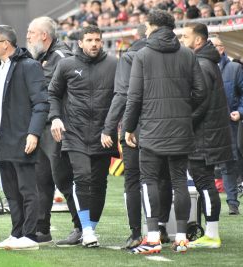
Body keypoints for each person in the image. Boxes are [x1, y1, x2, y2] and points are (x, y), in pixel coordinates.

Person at [123, 9, 206, 254]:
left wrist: (128, 127)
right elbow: (201, 92)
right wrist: (182, 110)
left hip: (151, 130)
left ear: (153, 26)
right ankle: (181, 238)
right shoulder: (188, 54)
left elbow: (134, 97)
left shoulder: (142, 54)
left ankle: (152, 238)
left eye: (147, 26)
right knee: (179, 181)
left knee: (148, 180)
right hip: (181, 129)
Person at [0, 25, 49, 251]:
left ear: (5, 44)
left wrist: (33, 133)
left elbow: (41, 103)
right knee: (10, 191)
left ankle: (30, 235)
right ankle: (16, 233)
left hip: (21, 137)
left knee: (27, 189)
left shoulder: (29, 66)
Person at [102, 24, 173, 249]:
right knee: (164, 178)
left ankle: (135, 232)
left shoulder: (131, 56)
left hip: (136, 129)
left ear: (137, 35)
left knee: (133, 180)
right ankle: (161, 227)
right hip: (167, 127)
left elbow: (123, 95)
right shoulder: (177, 54)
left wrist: (110, 126)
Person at [49, 25, 118, 248]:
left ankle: (89, 228)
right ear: (80, 43)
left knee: (99, 184)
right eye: (89, 40)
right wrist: (56, 118)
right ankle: (86, 230)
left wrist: (114, 127)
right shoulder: (66, 64)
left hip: (103, 134)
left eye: (97, 39)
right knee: (82, 179)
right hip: (74, 133)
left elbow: (121, 97)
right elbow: (53, 94)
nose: (94, 44)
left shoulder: (114, 64)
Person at [26, 16, 82, 246]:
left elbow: (50, 92)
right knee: (41, 179)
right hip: (43, 126)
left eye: (31, 32)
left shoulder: (61, 57)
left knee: (64, 179)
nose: (27, 36)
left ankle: (81, 227)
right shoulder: (44, 56)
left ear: (44, 36)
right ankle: (42, 229)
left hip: (57, 126)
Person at [180, 22, 233, 248]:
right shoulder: (206, 61)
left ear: (198, 40)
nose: (182, 39)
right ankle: (210, 231)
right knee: (205, 182)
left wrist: (183, 122)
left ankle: (212, 233)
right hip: (208, 134)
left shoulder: (201, 64)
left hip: (203, 136)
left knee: (204, 183)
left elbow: (199, 104)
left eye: (185, 36)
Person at [211, 36, 243, 215]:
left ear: (221, 49)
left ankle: (232, 203)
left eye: (213, 46)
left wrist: (240, 112)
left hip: (228, 123)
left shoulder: (234, 68)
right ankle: (205, 202)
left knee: (229, 163)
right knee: (204, 164)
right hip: (208, 123)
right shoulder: (201, 66)